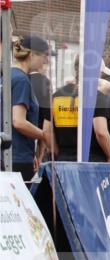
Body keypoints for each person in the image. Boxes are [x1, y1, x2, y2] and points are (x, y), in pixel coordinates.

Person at [45, 56, 110, 163]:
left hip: (64, 161)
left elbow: (47, 131)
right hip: (93, 161)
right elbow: (101, 132)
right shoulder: (97, 97)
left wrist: (59, 154)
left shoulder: (55, 97)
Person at [8, 35, 53, 182]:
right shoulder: (22, 80)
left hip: (10, 154)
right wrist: (44, 135)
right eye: (44, 56)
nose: (46, 61)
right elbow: (18, 121)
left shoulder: (7, 77)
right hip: (18, 157)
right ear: (32, 55)